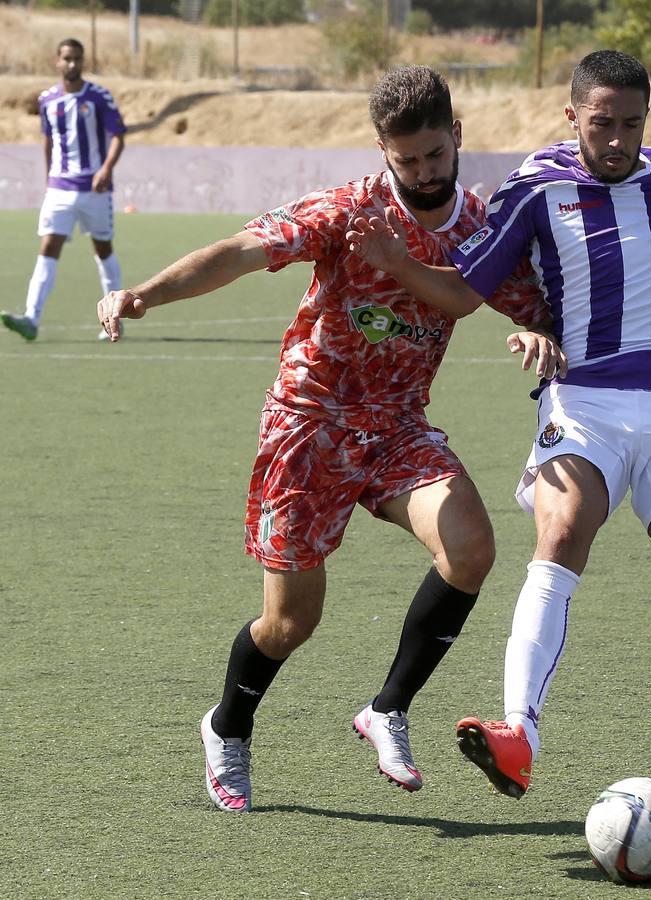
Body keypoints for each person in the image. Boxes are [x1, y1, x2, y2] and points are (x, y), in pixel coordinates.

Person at [96, 66, 559, 813]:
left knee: (472, 548)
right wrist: (146, 292)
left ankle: (388, 708)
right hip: (308, 425)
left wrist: (537, 329)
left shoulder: (479, 226)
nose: (424, 174)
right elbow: (244, 249)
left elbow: (529, 301)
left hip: (398, 430)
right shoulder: (348, 211)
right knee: (291, 621)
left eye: (435, 155)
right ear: (383, 152)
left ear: (458, 136)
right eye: (406, 161)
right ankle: (228, 725)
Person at [346, 50, 651, 862]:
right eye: (601, 122)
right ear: (571, 115)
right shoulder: (535, 189)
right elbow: (468, 289)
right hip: (587, 402)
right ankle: (519, 733)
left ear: (649, 119)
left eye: (631, 123)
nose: (617, 139)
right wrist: (401, 264)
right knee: (563, 528)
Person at [3, 38, 127, 342]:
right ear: (57, 61)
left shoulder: (98, 96)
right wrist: (48, 178)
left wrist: (106, 168)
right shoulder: (47, 99)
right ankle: (31, 318)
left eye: (77, 59)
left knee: (103, 249)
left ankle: (116, 318)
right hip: (59, 188)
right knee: (48, 248)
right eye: (67, 59)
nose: (72, 64)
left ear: (83, 61)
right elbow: (48, 139)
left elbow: (118, 135)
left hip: (93, 188)